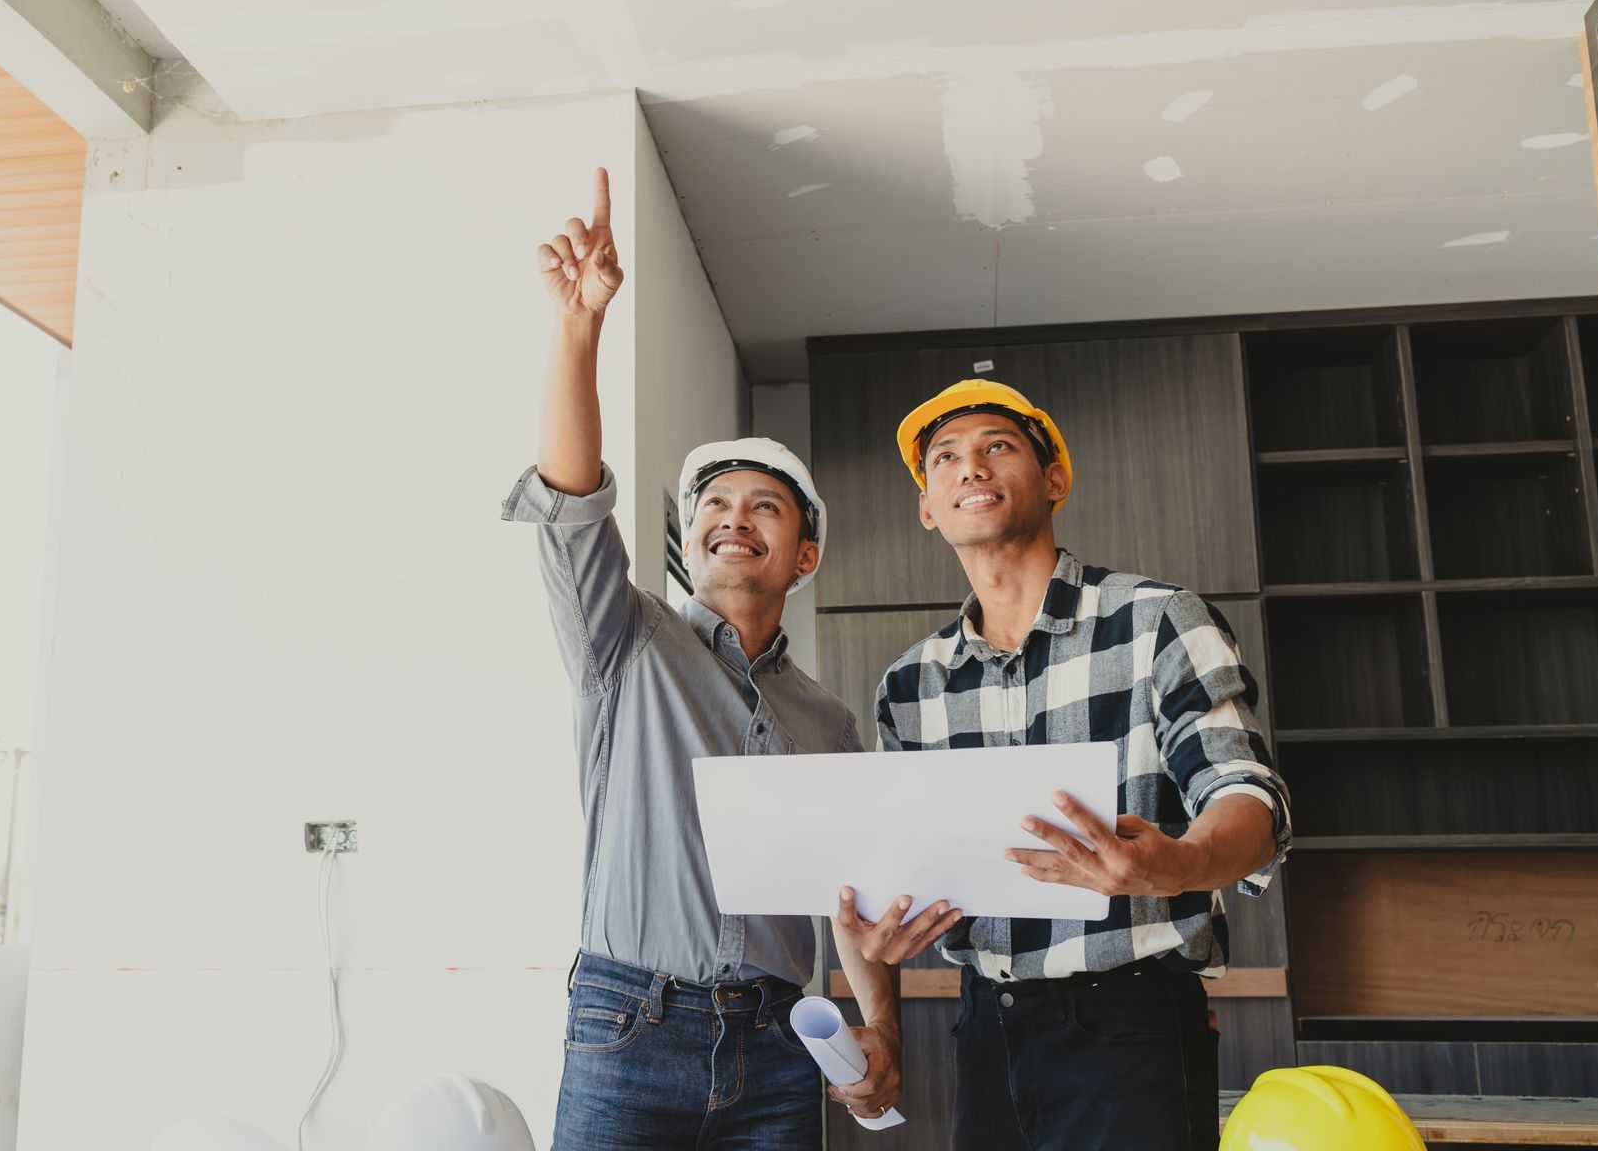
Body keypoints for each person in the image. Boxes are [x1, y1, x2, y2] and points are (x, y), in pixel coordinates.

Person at [503, 169, 956, 1149]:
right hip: (630, 1026)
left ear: (805, 554)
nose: (731, 516)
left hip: (781, 1047)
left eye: (763, 505)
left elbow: (854, 902)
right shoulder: (623, 642)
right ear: (691, 540)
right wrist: (579, 323)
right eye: (713, 503)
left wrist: (879, 1027)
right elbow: (572, 501)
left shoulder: (829, 723)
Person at [828, 379, 1292, 1151]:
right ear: (928, 508)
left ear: (1055, 481)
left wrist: (1176, 864)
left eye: (996, 447)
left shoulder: (1156, 620)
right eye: (944, 459)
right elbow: (888, 875)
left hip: (1133, 1026)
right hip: (986, 1027)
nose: (969, 468)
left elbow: (1249, 796)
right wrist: (880, 969)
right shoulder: (911, 684)